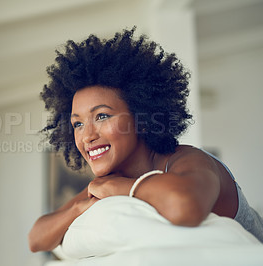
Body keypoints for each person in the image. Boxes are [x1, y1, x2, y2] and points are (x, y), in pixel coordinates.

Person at [28, 27, 263, 253]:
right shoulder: (111, 178)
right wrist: (80, 206)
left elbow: (185, 207)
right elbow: (36, 238)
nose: (87, 136)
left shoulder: (187, 159)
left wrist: (118, 188)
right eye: (77, 123)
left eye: (102, 116)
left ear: (141, 117)